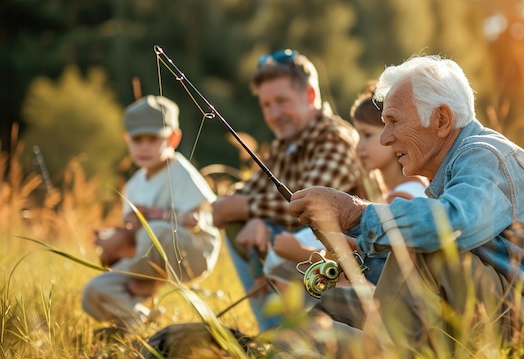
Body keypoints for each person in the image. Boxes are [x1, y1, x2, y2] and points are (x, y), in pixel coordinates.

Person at [283, 55, 524, 358]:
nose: (384, 138)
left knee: (427, 244)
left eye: (394, 121)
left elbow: (449, 229)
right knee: (332, 302)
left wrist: (355, 213)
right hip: (520, 320)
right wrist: (363, 252)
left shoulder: (485, 156)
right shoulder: (459, 168)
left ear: (441, 119)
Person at [211, 49, 366, 331]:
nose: (274, 113)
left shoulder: (335, 138)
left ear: (309, 96)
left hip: (353, 266)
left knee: (262, 223)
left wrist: (247, 210)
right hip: (301, 257)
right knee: (238, 222)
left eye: (282, 101)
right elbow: (240, 195)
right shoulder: (284, 144)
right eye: (267, 105)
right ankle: (275, 332)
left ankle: (303, 333)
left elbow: (312, 205)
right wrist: (243, 210)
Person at [265, 83, 429, 287]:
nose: (359, 146)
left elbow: (369, 270)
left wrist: (297, 251)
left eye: (367, 135)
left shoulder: (403, 198)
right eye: (358, 135)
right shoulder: (403, 191)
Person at [82, 95, 221, 329]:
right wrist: (116, 236)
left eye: (153, 138)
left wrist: (158, 215)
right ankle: (139, 321)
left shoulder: (181, 173)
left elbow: (201, 219)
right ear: (128, 140)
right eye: (137, 139)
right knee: (94, 291)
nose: (144, 146)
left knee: (155, 231)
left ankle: (143, 284)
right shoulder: (134, 185)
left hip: (192, 252)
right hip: (146, 256)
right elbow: (135, 232)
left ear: (173, 138)